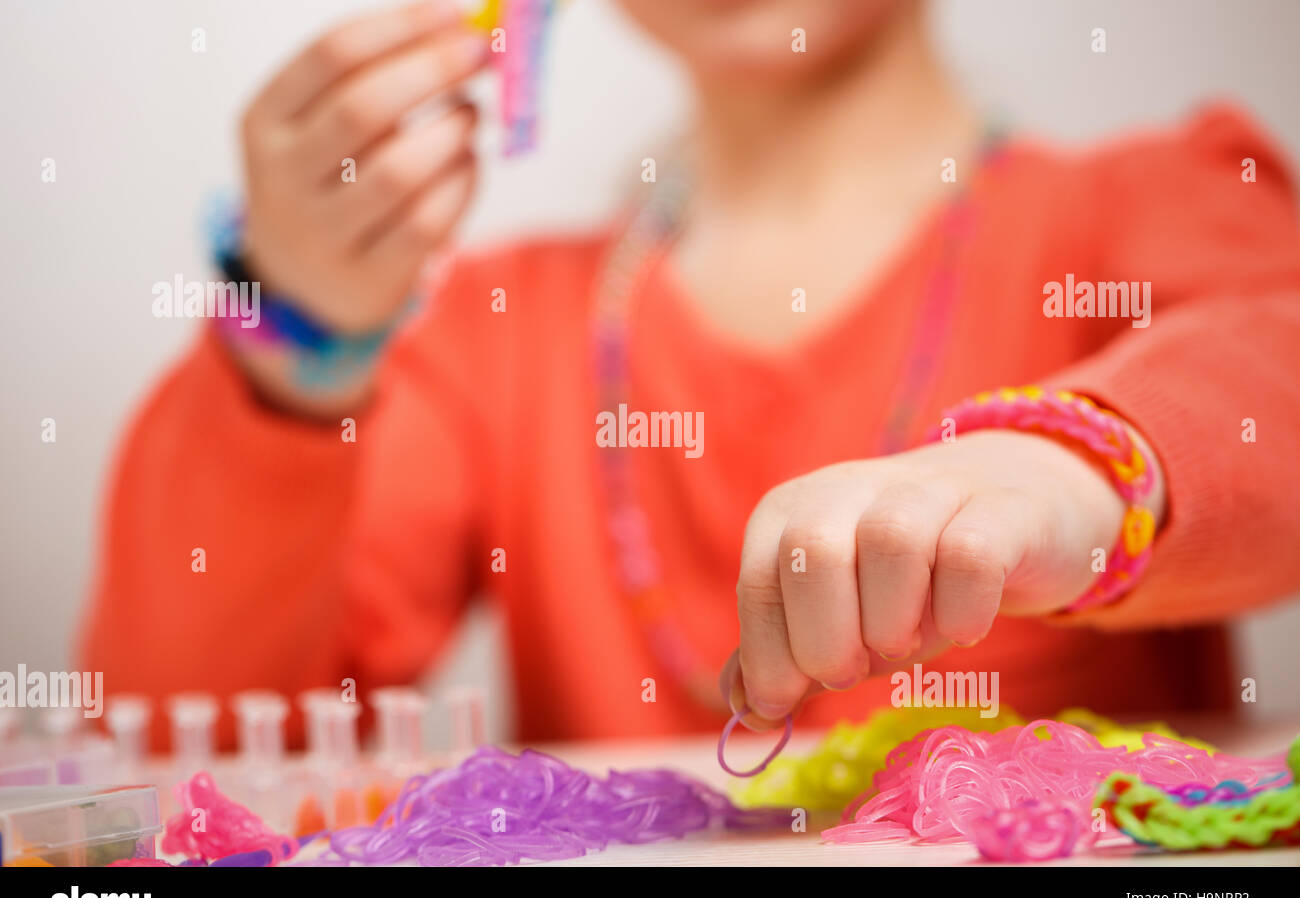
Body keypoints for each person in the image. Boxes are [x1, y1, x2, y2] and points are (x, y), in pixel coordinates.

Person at [80, 0, 1300, 749]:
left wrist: (1062, 468)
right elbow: (189, 743)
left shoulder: (1140, 208)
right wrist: (298, 330)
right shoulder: (494, 331)